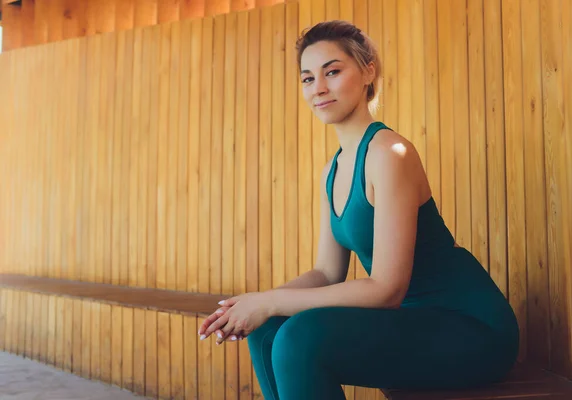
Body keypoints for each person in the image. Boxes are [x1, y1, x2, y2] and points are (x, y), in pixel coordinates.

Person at [197, 20, 520, 400]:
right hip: (412, 323)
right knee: (268, 329)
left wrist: (268, 301)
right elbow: (326, 272)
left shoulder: (389, 153)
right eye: (307, 78)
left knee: (300, 337)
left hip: (469, 328)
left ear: (368, 71)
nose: (318, 87)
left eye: (332, 72)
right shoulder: (332, 171)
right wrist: (253, 303)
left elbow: (387, 289)